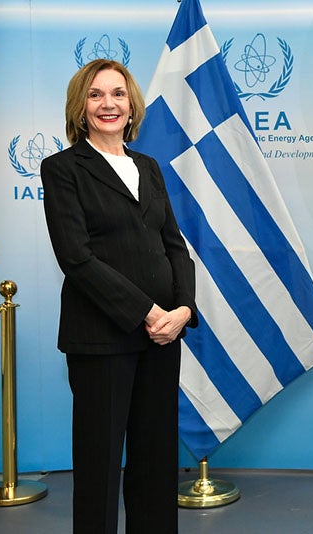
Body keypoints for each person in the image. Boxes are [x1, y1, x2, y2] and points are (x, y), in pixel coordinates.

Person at [41, 59, 197, 534]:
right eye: (95, 95)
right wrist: (148, 311)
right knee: (99, 467)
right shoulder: (63, 168)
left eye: (117, 94)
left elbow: (174, 245)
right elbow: (77, 258)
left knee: (155, 465)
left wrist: (183, 310)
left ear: (132, 106)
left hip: (162, 340)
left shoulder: (148, 167)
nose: (108, 103)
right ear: (80, 107)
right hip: (101, 341)